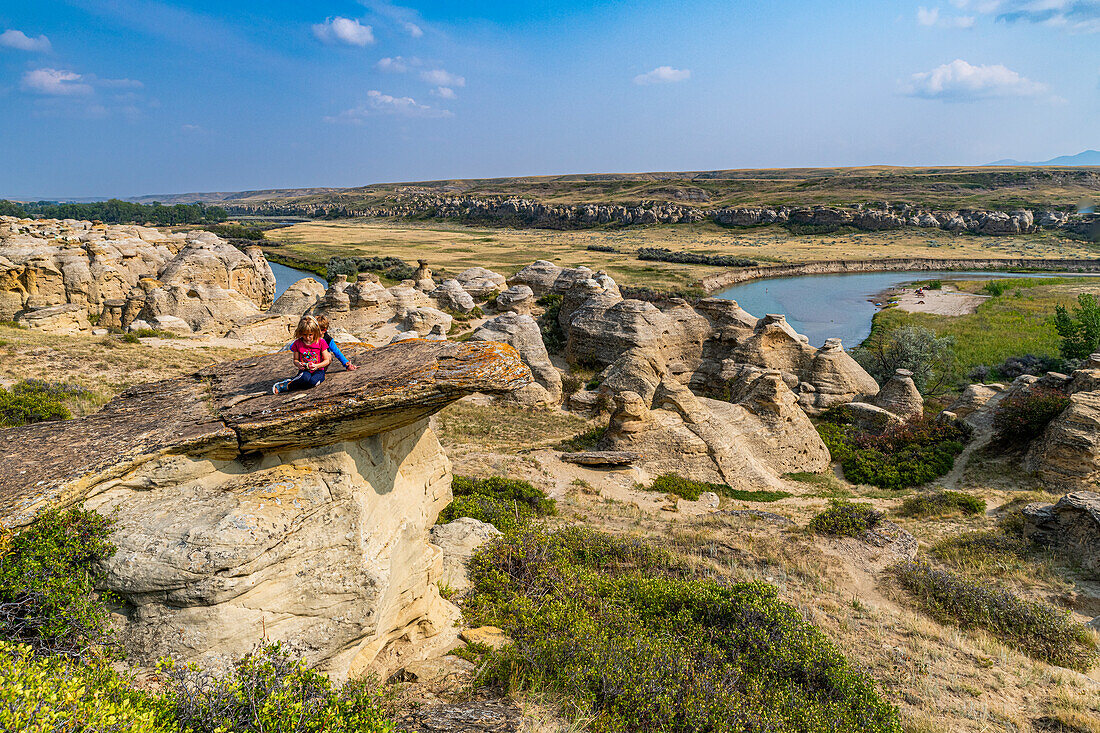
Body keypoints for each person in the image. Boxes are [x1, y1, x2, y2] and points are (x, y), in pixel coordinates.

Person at [272, 316, 332, 394]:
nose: (307, 338)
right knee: (304, 378)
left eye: (310, 335)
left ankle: (295, 383)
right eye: (304, 335)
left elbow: (327, 360)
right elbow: (295, 360)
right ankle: (286, 385)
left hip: (319, 370)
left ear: (315, 332)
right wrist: (298, 364)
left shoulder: (321, 342)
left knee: (313, 382)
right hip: (305, 370)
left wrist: (317, 366)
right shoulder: (297, 343)